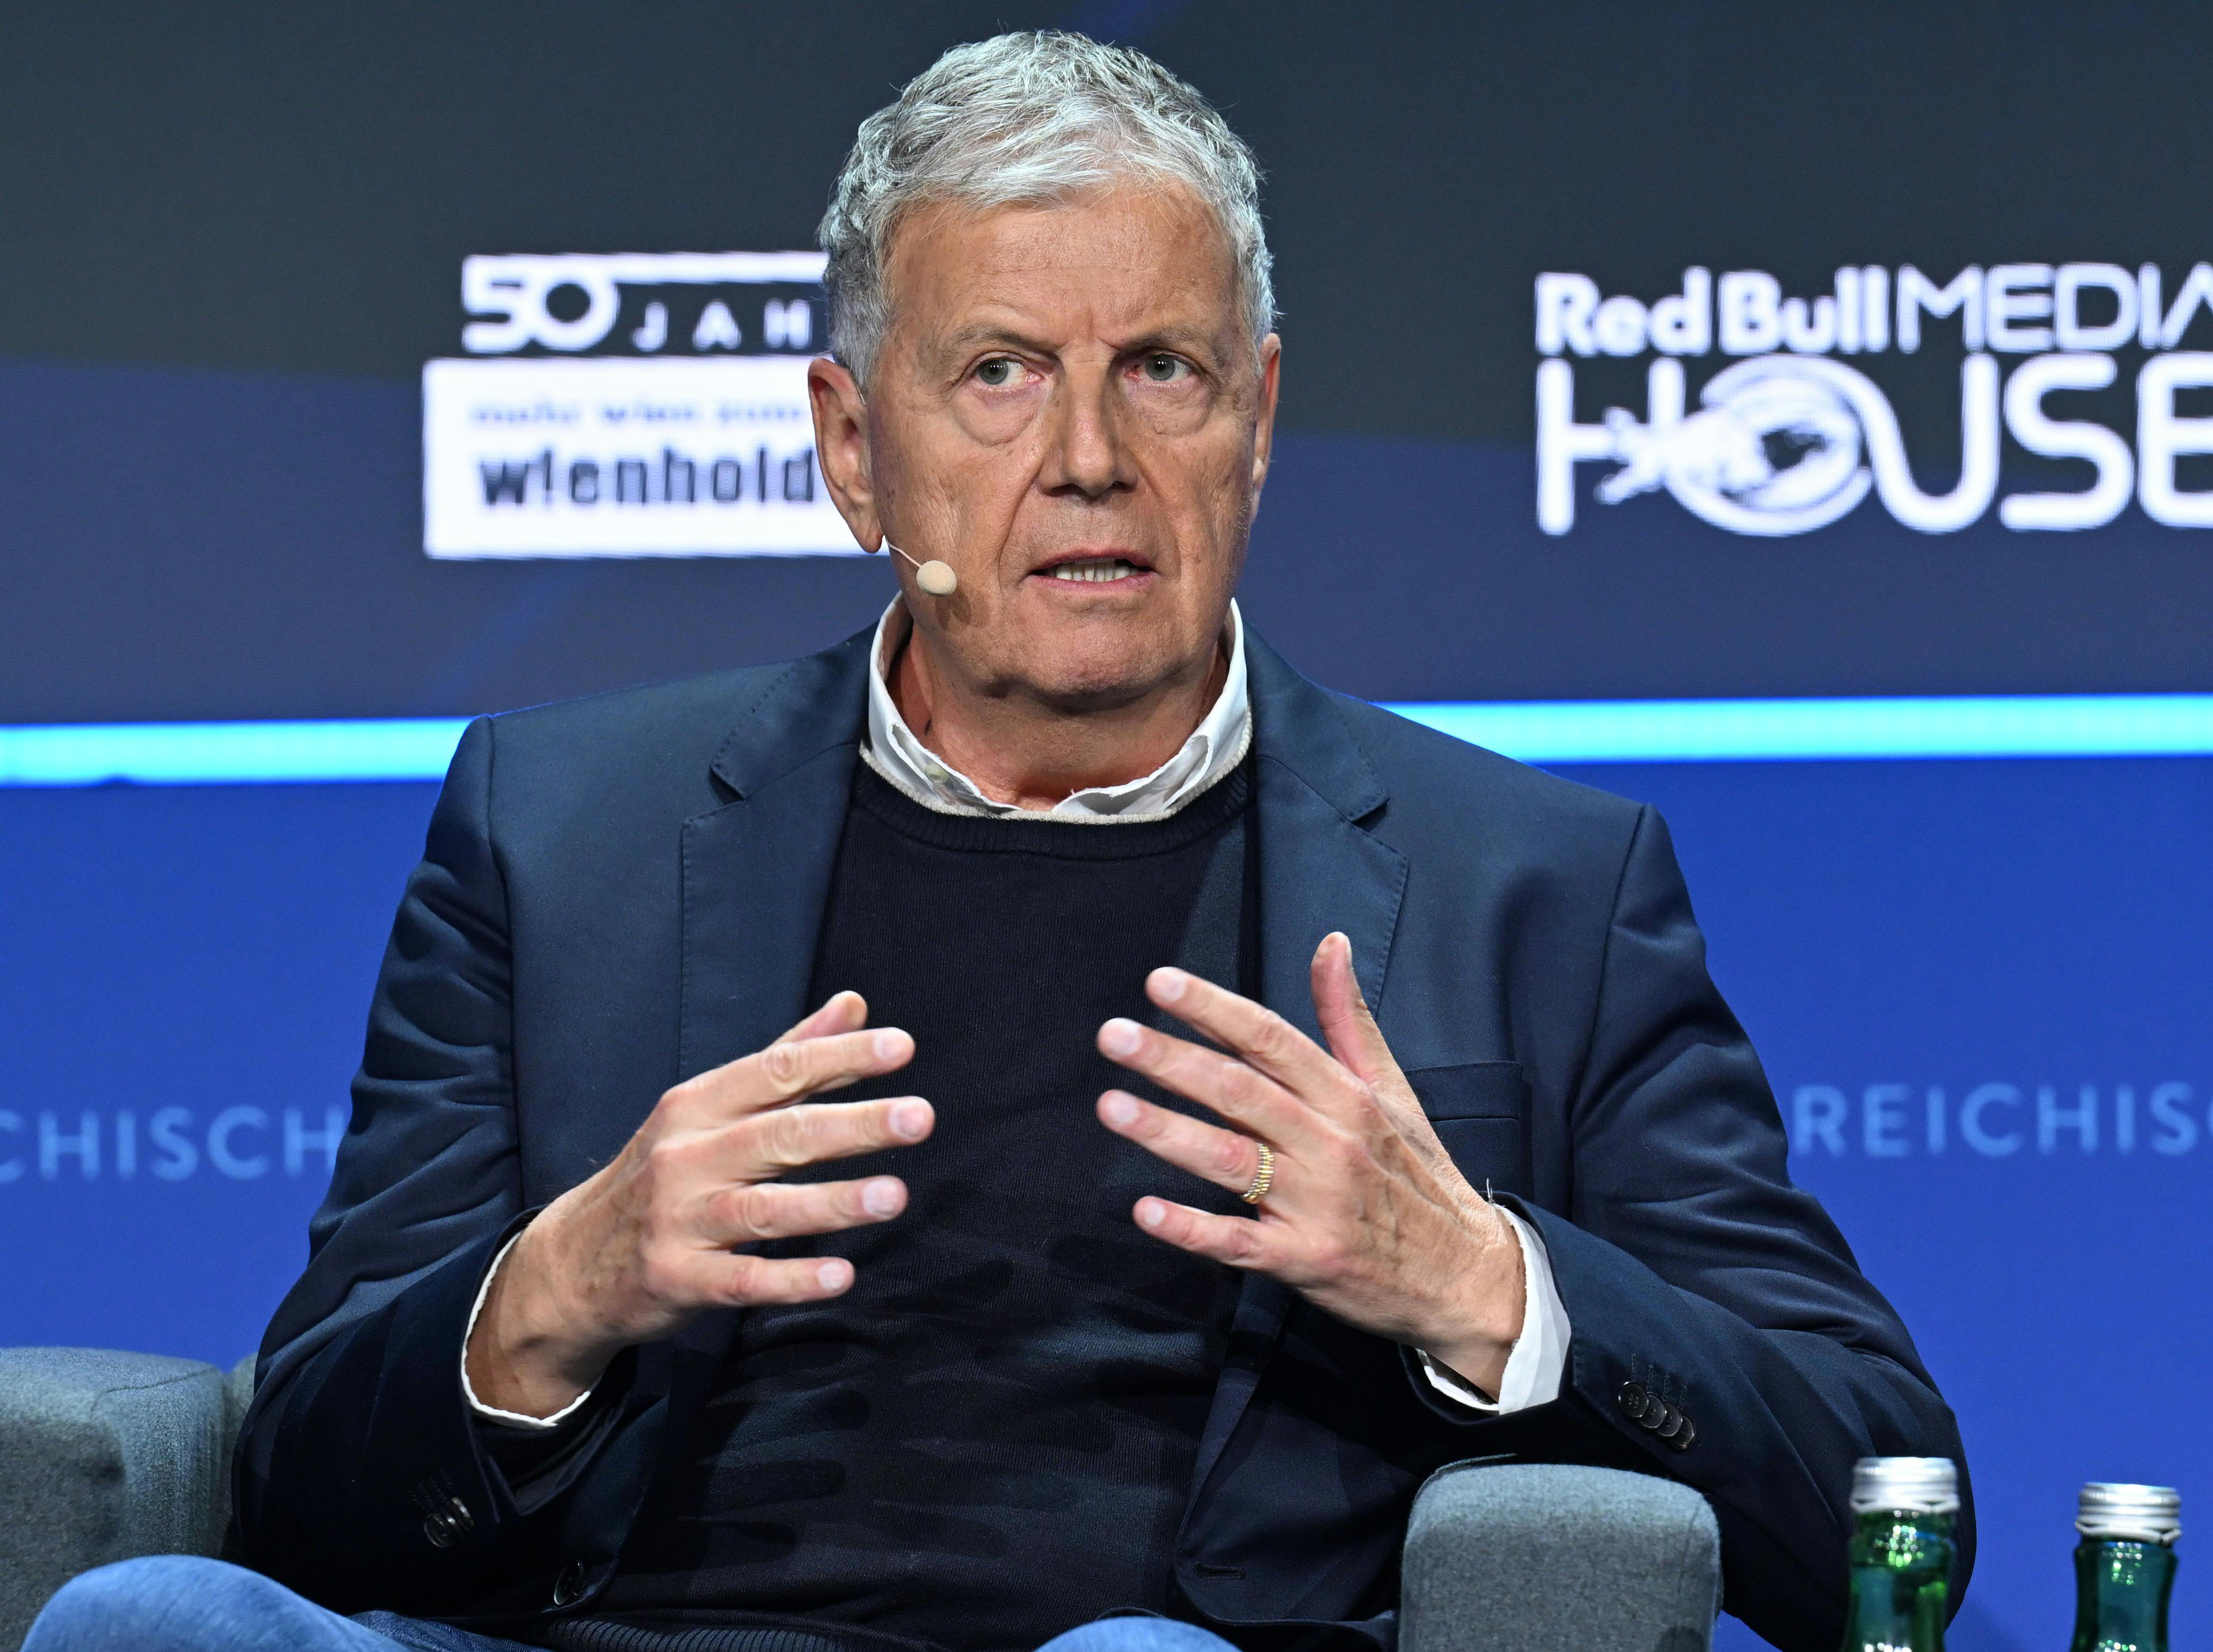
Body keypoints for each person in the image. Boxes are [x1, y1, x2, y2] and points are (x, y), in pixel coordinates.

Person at [25, 29, 1966, 1652]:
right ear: (851, 448)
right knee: (145, 1624)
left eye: (1162, 370)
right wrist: (560, 1286)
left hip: (1154, 1648)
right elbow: (306, 1482)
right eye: (998, 373)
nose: (1089, 459)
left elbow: (1891, 1502)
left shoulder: (1528, 882)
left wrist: (1482, 1278)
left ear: (1259, 422)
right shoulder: (563, 832)